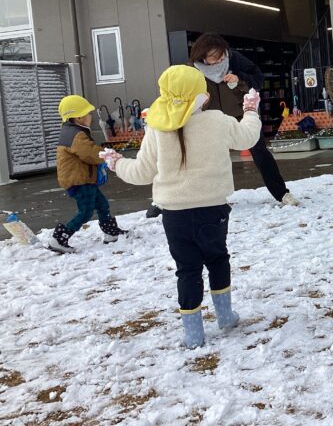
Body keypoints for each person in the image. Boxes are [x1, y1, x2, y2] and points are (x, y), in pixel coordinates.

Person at [102, 65, 262, 348]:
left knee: (186, 270)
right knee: (217, 259)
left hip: (174, 214)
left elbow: (140, 172)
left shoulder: (157, 128)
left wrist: (118, 164)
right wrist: (250, 111)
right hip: (213, 209)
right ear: (202, 95)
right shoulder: (218, 121)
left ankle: (193, 334)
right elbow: (247, 137)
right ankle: (225, 316)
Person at [190, 33, 299, 206]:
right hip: (211, 119)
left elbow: (258, 79)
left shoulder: (234, 59)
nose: (218, 61)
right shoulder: (192, 70)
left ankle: (282, 194)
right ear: (202, 56)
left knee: (260, 153)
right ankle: (206, 200)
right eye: (213, 57)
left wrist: (240, 78)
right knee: (209, 160)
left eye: (221, 56)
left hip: (242, 117)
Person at [49, 95, 127, 253]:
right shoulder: (76, 135)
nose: (90, 116)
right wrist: (107, 155)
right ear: (78, 117)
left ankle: (111, 233)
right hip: (78, 181)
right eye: (88, 113)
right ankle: (59, 238)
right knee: (85, 211)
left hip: (82, 179)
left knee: (102, 204)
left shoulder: (73, 130)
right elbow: (88, 152)